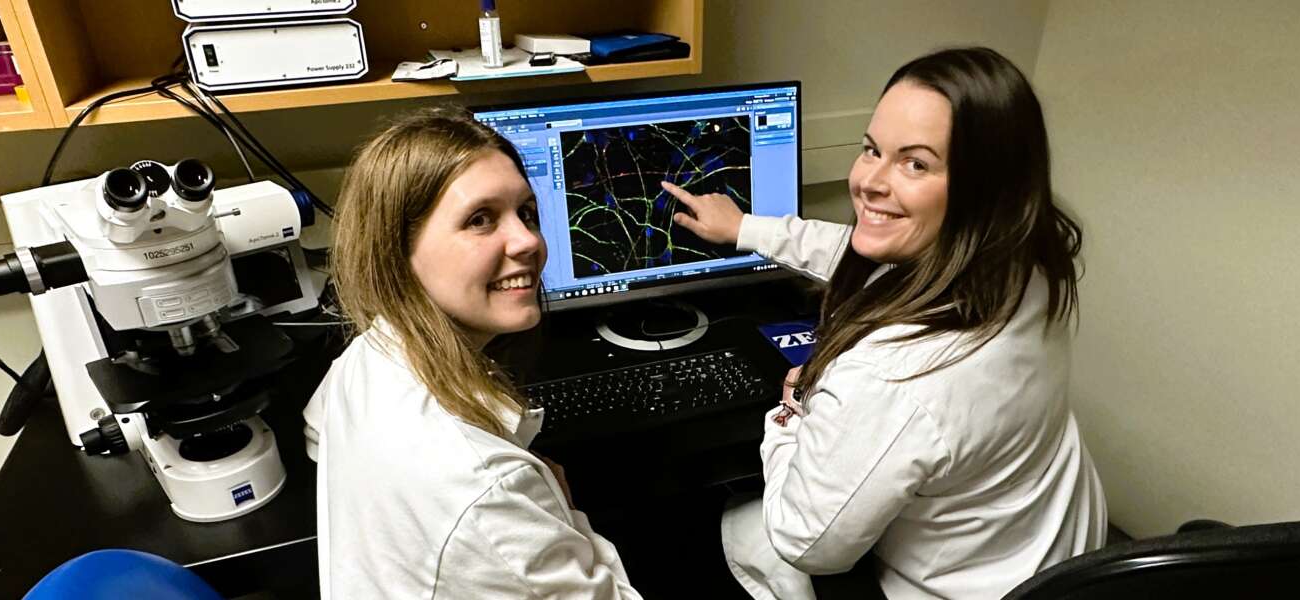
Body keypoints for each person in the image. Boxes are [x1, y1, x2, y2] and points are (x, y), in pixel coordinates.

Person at [667, 47, 1106, 599]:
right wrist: (746, 228)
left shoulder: (890, 379)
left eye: (915, 163)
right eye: (872, 149)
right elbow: (865, 256)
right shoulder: (1026, 262)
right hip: (1049, 558)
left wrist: (791, 416)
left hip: (955, 588)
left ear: (983, 188)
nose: (869, 181)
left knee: (730, 526)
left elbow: (807, 545)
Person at [303, 107, 642, 599]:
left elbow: (318, 431)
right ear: (396, 251)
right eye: (480, 220)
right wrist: (562, 513)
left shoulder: (370, 352)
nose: (528, 240)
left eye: (526, 212)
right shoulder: (488, 493)